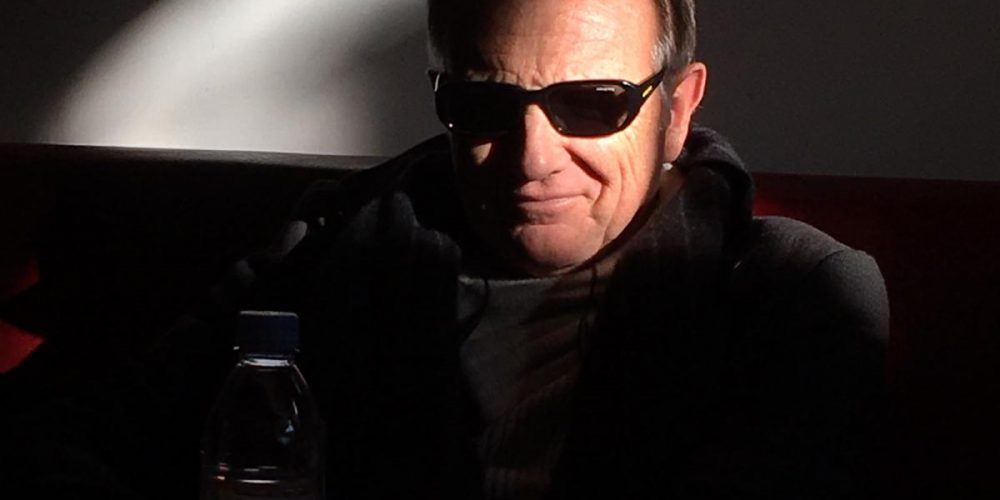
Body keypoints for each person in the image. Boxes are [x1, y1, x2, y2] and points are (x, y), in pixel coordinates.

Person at [196, 0, 888, 498]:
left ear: (676, 112)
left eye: (593, 103)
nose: (533, 159)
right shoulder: (330, 250)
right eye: (484, 105)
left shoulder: (795, 298)